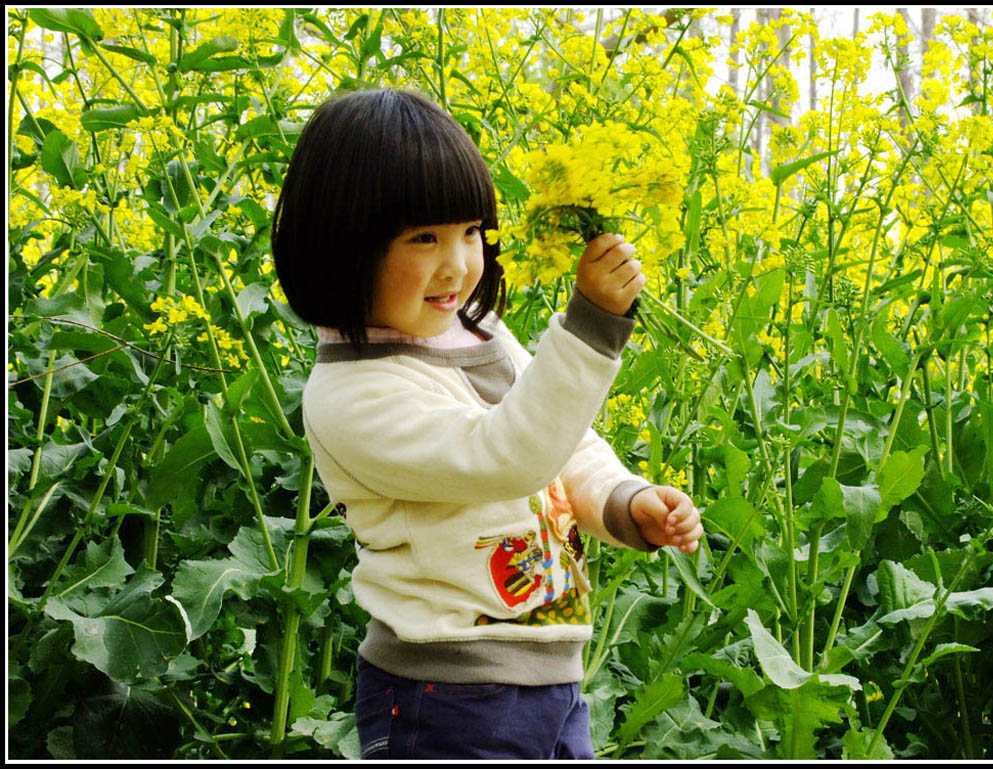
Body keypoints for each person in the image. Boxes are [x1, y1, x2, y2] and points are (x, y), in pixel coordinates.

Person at [271, 88, 704, 760]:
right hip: (444, 694)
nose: (460, 264)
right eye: (425, 238)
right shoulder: (353, 394)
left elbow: (565, 446)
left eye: (471, 231)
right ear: (343, 244)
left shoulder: (477, 333)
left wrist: (624, 499)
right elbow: (507, 455)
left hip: (552, 679)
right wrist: (590, 328)